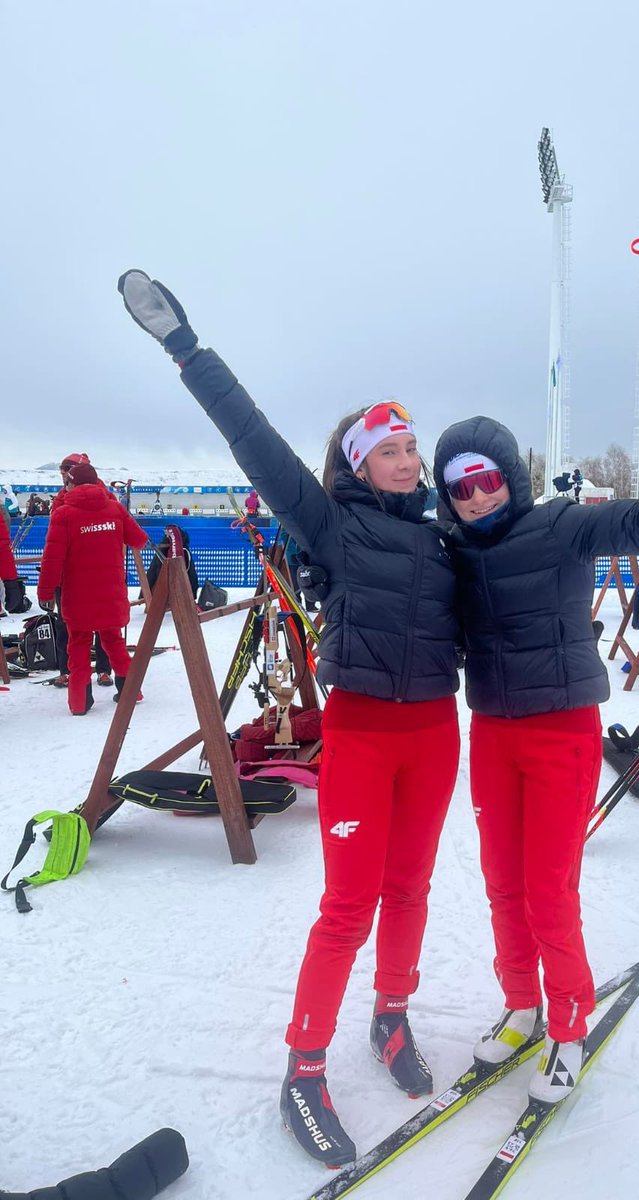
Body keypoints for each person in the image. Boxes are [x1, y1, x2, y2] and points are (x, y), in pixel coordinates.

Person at [118, 269, 461, 1168]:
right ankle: (303, 1067)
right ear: (357, 462)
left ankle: (390, 1015)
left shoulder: (442, 537)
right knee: (348, 903)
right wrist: (190, 352)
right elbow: (256, 443)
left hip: (434, 735)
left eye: (412, 447)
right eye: (392, 449)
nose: (409, 459)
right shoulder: (328, 523)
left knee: (411, 890)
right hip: (361, 733)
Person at [433, 367, 639, 1104]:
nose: (475, 496)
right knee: (503, 884)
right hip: (493, 734)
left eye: (484, 479)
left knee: (547, 887)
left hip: (562, 733)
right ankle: (522, 1003)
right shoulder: (453, 550)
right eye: (459, 488)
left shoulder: (562, 525)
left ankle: (569, 1026)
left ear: (510, 474)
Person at [37, 463, 148, 715]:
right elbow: (139, 540)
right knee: (114, 642)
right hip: (111, 594)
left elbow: (52, 560)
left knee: (78, 647)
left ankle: (80, 704)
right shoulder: (114, 509)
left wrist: (45, 592)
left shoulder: (63, 515)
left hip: (78, 597)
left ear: (71, 485)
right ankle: (131, 692)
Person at [47, 454, 116, 688]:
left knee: (104, 622)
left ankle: (104, 670)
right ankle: (67, 670)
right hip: (71, 573)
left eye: (67, 469)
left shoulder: (104, 495)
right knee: (65, 622)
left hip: (98, 571)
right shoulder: (61, 498)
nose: (63, 474)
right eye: (62, 469)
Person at [146, 527, 199, 599]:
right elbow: (192, 575)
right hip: (185, 592)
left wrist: (144, 594)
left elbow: (151, 572)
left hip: (165, 592)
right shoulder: (185, 550)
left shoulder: (163, 550)